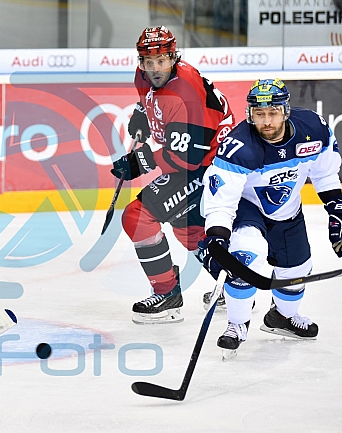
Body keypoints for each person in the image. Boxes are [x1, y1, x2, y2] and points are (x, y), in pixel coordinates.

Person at [198, 78, 342, 351]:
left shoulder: (313, 128)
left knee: (296, 268)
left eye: (273, 113)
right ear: (250, 114)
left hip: (287, 209)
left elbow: (325, 175)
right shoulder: (239, 146)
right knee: (245, 253)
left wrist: (337, 211)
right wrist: (217, 239)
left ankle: (282, 317)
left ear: (286, 111)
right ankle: (237, 323)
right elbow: (222, 201)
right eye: (259, 113)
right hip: (246, 206)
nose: (266, 121)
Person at [111, 26, 234, 324]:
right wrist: (142, 114)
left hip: (210, 162)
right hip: (197, 157)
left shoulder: (185, 94)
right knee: (188, 229)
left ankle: (167, 297)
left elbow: (186, 159)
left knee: (137, 217)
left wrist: (138, 162)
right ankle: (235, 287)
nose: (155, 69)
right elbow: (150, 101)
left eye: (162, 61)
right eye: (148, 62)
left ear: (174, 58)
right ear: (141, 61)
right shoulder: (143, 76)